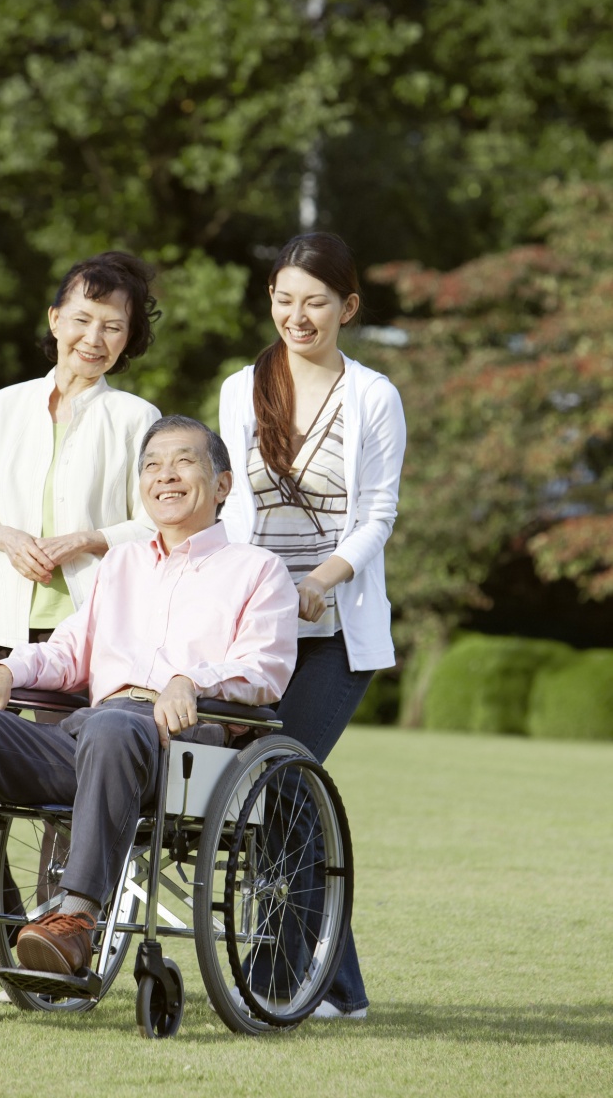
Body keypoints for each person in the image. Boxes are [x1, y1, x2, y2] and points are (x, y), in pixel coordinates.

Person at [0, 417, 299, 979]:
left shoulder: (258, 570)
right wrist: (5, 670)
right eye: (151, 465)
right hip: (93, 736)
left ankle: (74, 920)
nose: (165, 475)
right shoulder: (119, 565)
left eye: (184, 462)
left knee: (113, 725)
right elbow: (69, 651)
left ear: (221, 486)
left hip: (183, 748)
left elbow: (264, 669)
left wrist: (193, 680)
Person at [219, 231, 407, 1019]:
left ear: (348, 307)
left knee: (279, 779)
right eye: (286, 300)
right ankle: (341, 988)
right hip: (258, 627)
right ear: (271, 300)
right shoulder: (241, 387)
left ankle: (276, 974)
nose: (300, 316)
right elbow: (232, 503)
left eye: (317, 302)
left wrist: (323, 581)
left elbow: (378, 514)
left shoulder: (374, 396)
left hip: (335, 631)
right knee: (284, 793)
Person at [0, 250, 161, 697]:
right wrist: (5, 537)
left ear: (128, 338)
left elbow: (153, 526)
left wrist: (85, 540)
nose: (93, 338)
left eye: (113, 327)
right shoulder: (3, 405)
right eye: (82, 320)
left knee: (56, 762)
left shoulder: (137, 418)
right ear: (55, 320)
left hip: (80, 627)